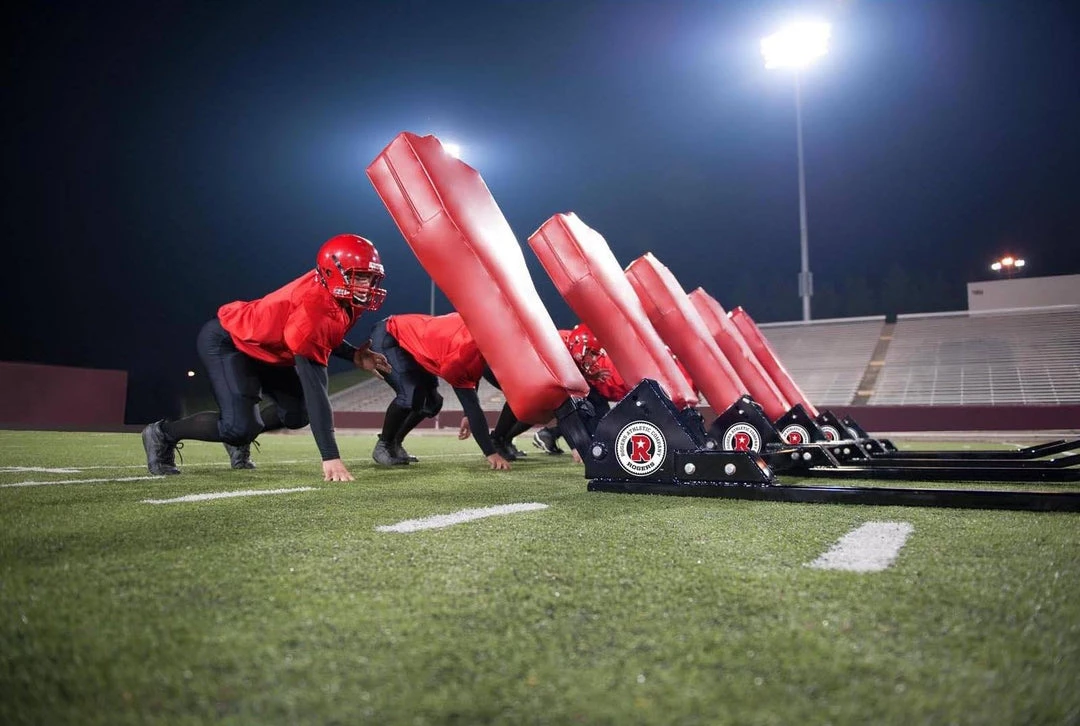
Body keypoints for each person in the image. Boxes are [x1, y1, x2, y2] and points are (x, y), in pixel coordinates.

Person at [141, 234, 392, 482]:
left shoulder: (340, 295)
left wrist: (353, 355)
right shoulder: (312, 307)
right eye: (359, 277)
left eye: (370, 278)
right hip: (232, 342)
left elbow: (327, 331)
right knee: (238, 429)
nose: (366, 286)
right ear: (332, 272)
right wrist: (330, 456)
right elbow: (316, 387)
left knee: (298, 414)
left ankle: (241, 434)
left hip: (271, 350)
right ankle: (163, 433)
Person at [367, 312, 512, 470]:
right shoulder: (459, 358)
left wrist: (466, 415)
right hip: (390, 335)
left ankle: (394, 443)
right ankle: (384, 445)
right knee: (409, 395)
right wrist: (490, 453)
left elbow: (473, 375)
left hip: (417, 345)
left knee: (432, 403)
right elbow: (472, 404)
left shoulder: (479, 331)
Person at [532, 323, 630, 457]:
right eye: (591, 353)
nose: (593, 358)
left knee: (597, 418)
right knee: (586, 413)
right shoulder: (557, 346)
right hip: (549, 379)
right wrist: (575, 445)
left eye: (595, 354)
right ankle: (552, 435)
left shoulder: (579, 350)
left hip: (594, 385)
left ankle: (549, 434)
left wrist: (588, 375)